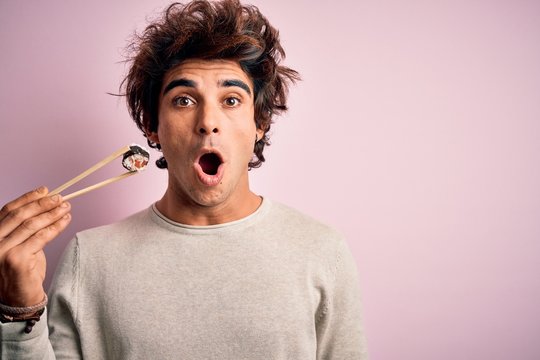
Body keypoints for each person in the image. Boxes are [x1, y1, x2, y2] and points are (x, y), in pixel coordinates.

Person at [0, 0, 368, 358]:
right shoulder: (89, 259)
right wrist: (19, 309)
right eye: (184, 100)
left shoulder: (322, 252)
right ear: (151, 125)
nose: (208, 121)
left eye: (231, 100)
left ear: (260, 124)